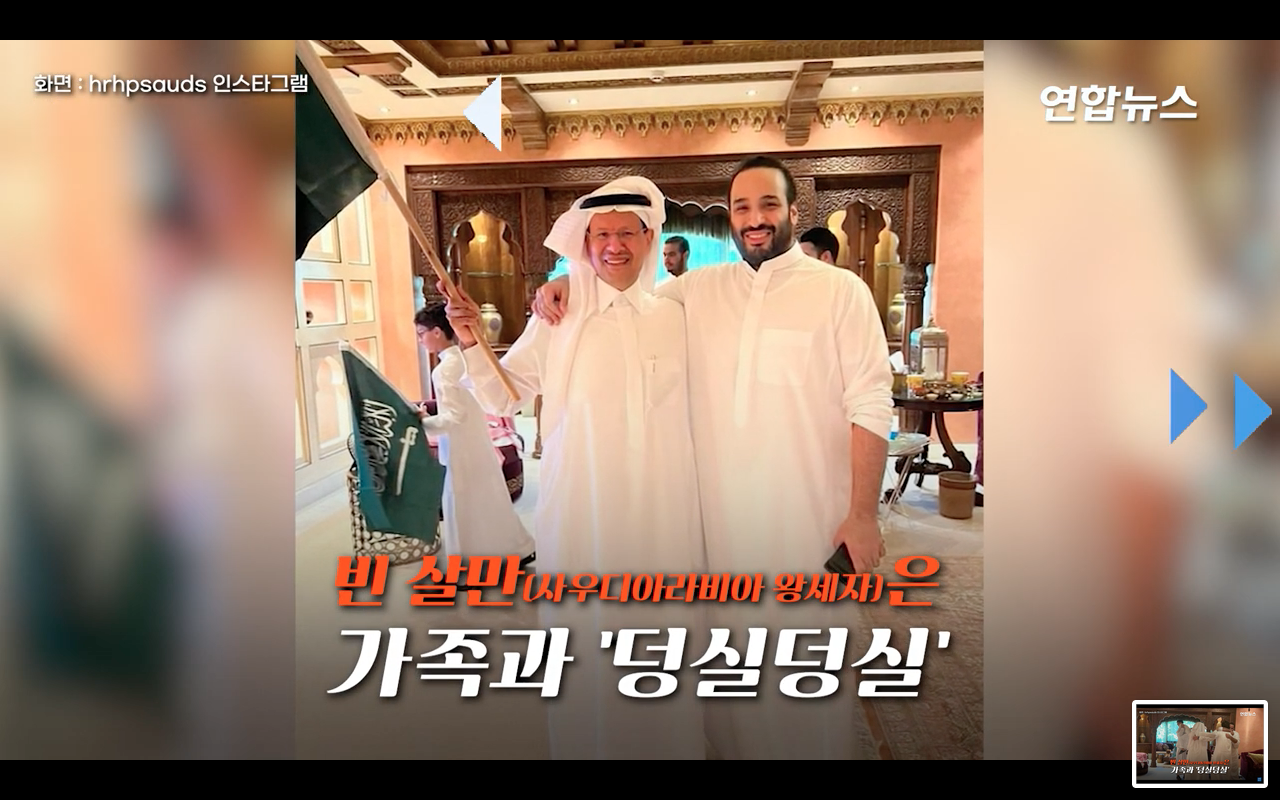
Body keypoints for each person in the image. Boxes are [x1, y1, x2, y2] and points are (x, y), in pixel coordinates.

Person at [531, 155, 894, 760]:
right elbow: (626, 286)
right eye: (742, 207)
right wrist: (570, 281)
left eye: (768, 204)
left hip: (804, 517)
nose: (755, 219)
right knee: (726, 673)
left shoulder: (841, 292)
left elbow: (871, 403)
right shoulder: (698, 289)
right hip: (713, 524)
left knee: (803, 666)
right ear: (730, 217)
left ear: (792, 211)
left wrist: (862, 514)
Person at [443, 176, 707, 760]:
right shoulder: (558, 316)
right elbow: (503, 394)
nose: (614, 246)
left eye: (626, 233)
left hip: (663, 510)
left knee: (662, 632)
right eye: (600, 235)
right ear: (584, 244)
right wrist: (469, 339)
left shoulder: (683, 310)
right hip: (582, 508)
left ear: (650, 237)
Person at [414, 304, 535, 572]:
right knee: (490, 498)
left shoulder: (444, 370)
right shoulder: (464, 360)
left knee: (462, 506)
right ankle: (519, 548)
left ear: (437, 332)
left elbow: (453, 417)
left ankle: (467, 567)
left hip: (461, 448)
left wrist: (421, 423)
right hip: (478, 440)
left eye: (422, 333)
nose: (420, 340)